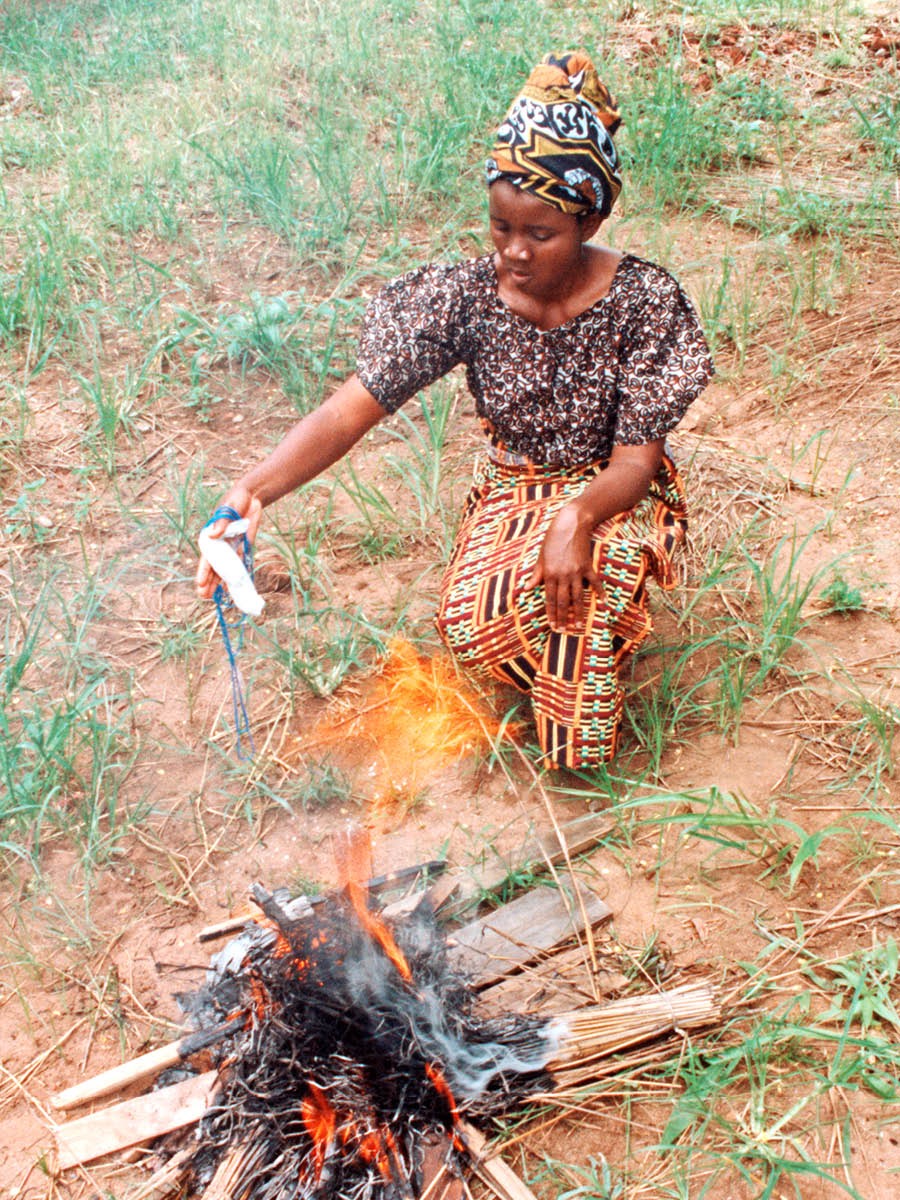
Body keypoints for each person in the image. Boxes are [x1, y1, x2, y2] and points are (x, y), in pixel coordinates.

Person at [197, 52, 714, 772]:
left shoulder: (643, 302)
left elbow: (637, 460)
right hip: (517, 485)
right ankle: (564, 645)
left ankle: (588, 700)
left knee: (579, 597)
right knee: (472, 628)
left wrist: (578, 519)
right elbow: (350, 412)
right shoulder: (465, 299)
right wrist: (251, 490)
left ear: (592, 215)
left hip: (615, 491)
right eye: (501, 227)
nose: (515, 252)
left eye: (541, 234)